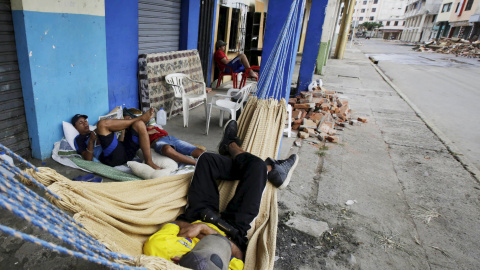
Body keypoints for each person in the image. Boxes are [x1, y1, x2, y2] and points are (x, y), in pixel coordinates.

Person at [144, 120, 299, 269]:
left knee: (207, 160)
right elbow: (239, 255)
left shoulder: (159, 250)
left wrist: (197, 225)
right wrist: (205, 229)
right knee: (256, 166)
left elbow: (173, 224)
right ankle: (253, 160)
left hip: (197, 215)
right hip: (232, 229)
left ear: (176, 259)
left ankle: (241, 153)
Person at [71, 108, 162, 170]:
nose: (85, 123)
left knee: (139, 124)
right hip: (111, 157)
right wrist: (91, 140)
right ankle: (140, 118)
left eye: (85, 121)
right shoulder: (79, 139)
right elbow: (87, 159)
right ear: (75, 127)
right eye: (80, 123)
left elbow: (118, 142)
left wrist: (121, 132)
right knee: (102, 124)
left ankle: (149, 161)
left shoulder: (93, 130)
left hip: (125, 152)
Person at [123, 107, 205, 165]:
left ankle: (210, 161)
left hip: (170, 138)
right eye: (126, 119)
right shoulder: (135, 132)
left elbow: (165, 133)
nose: (127, 120)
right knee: (167, 149)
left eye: (129, 118)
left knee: (200, 152)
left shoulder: (151, 126)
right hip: (158, 142)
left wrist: (154, 128)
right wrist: (147, 133)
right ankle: (196, 163)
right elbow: (141, 144)